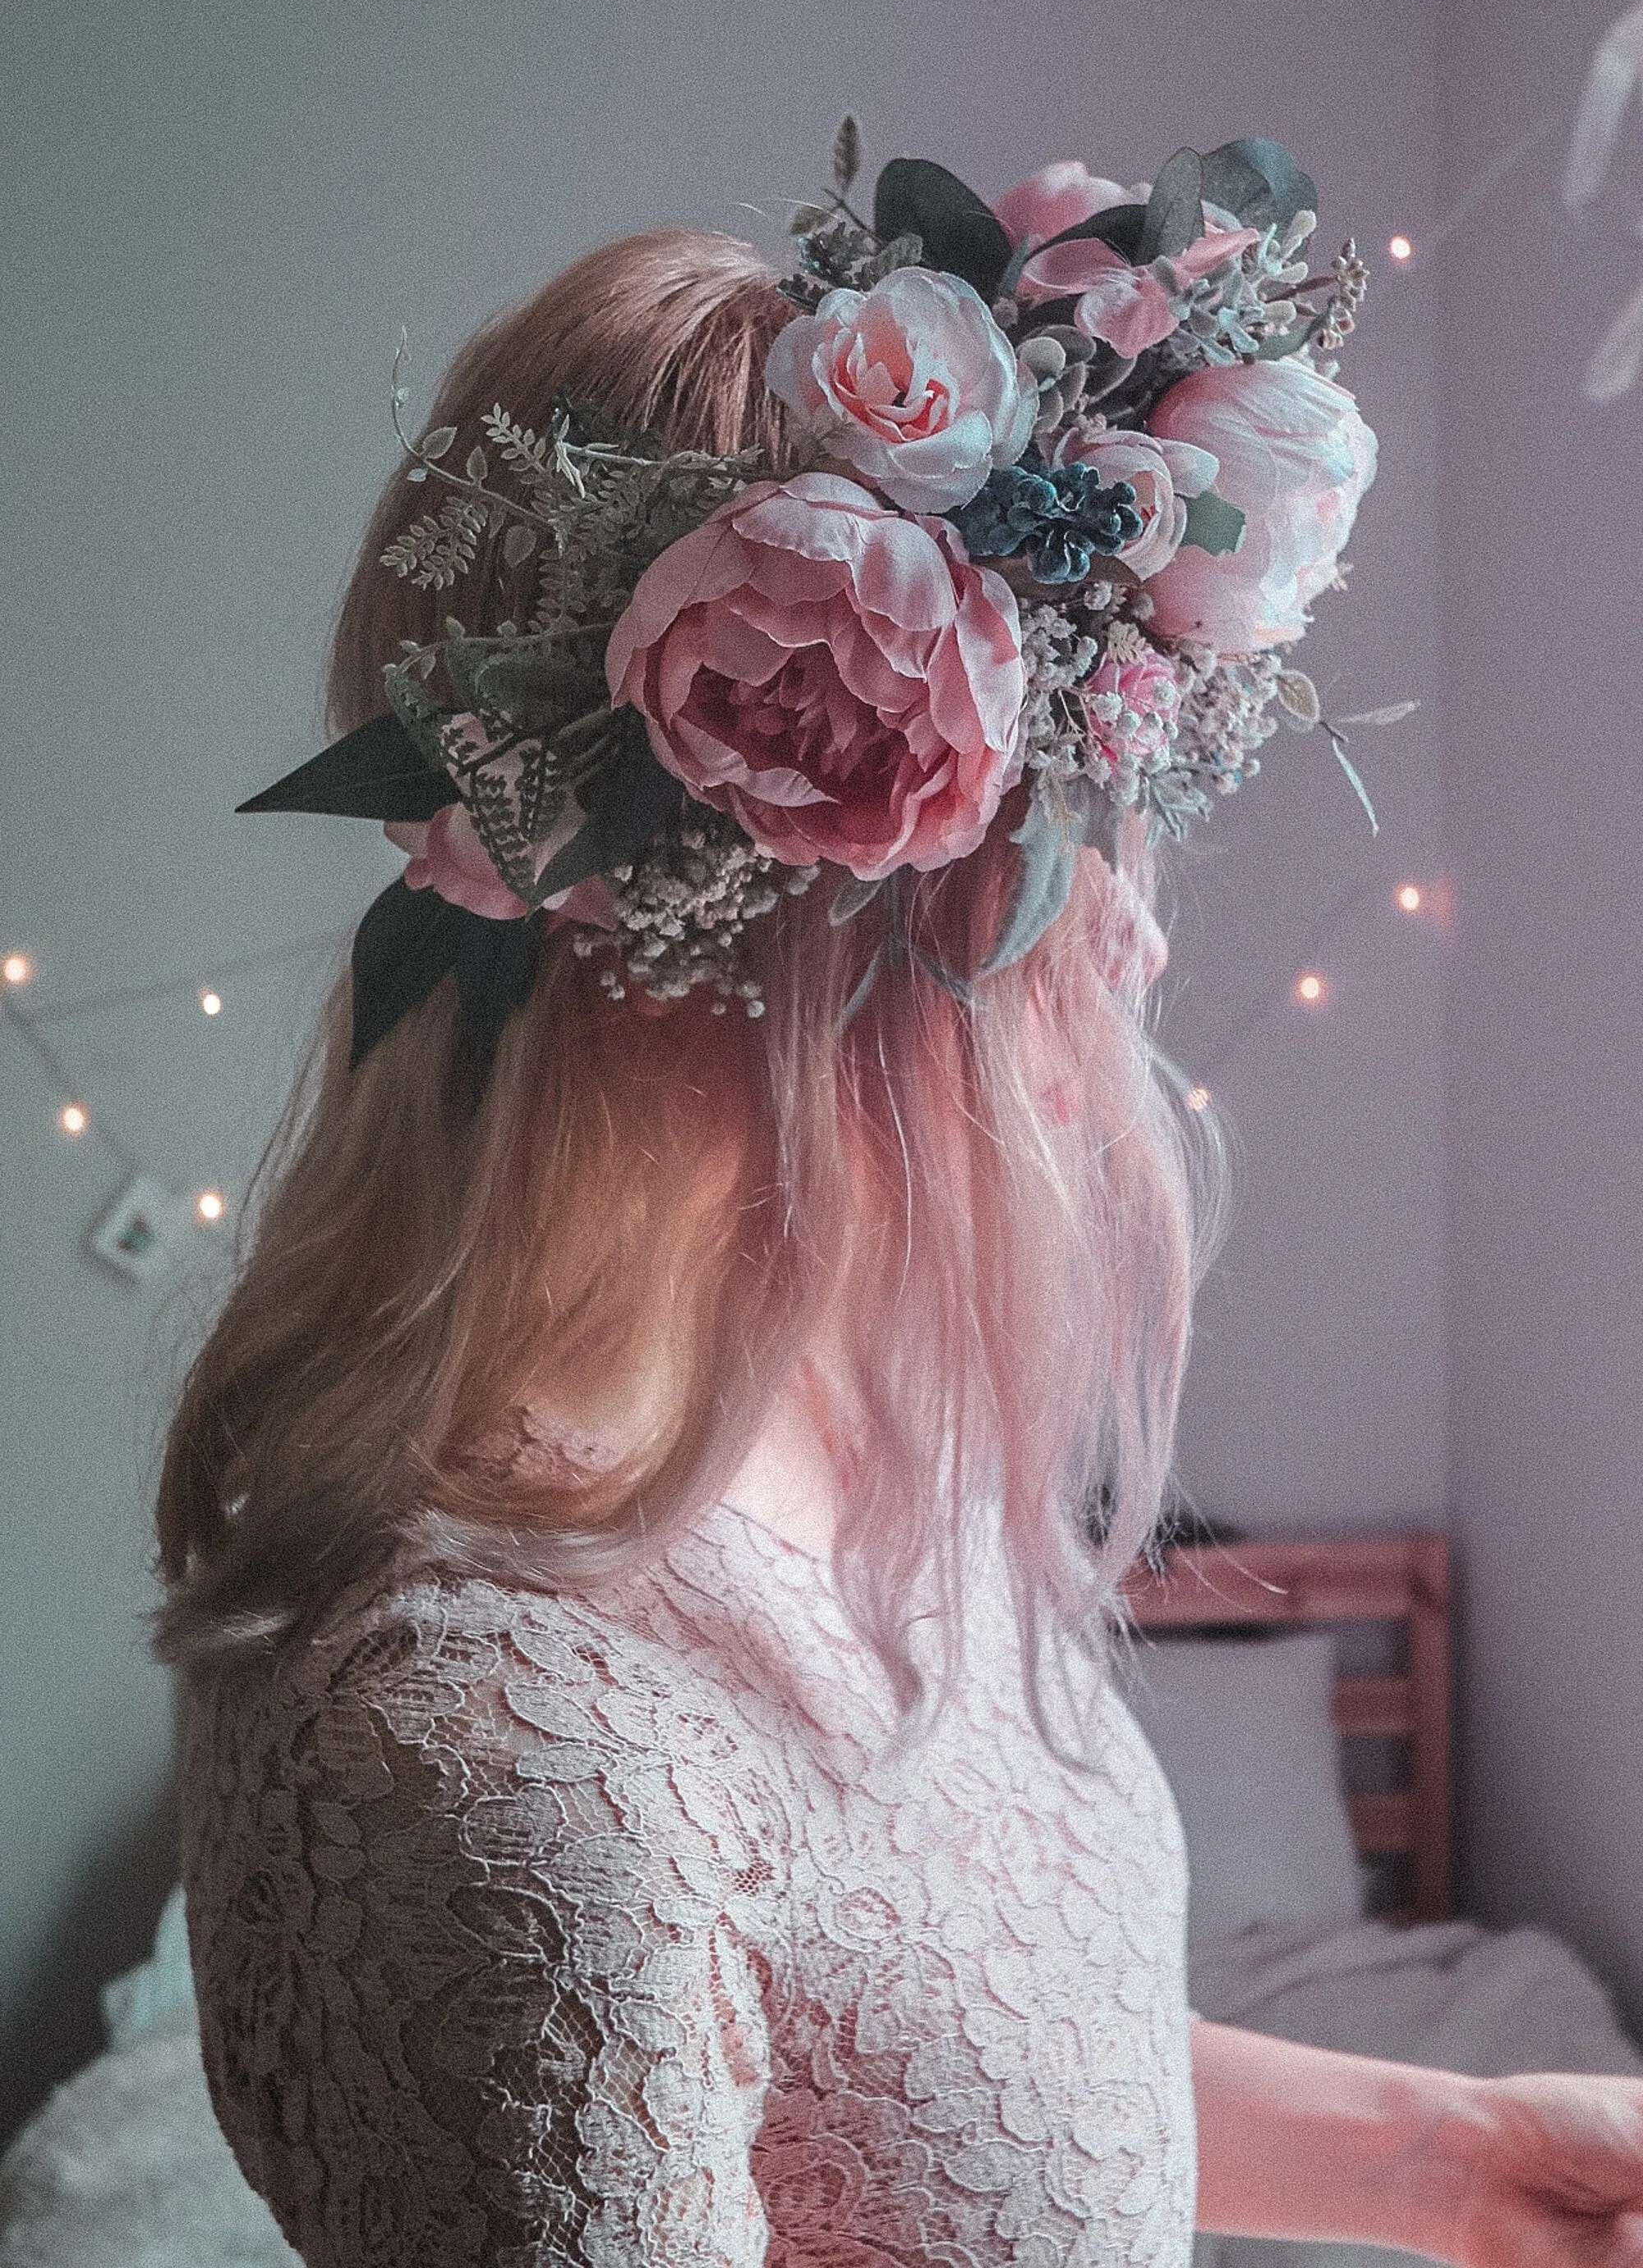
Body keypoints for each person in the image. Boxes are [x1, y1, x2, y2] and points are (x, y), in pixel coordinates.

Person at [158, 183, 1643, 2265]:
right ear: (822, 892)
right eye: (1061, 857)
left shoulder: (851, 1458)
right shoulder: (503, 1758)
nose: (1124, 945)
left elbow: (944, 2080)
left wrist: (1463, 2166)